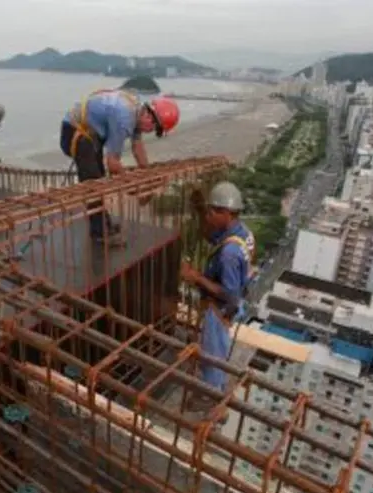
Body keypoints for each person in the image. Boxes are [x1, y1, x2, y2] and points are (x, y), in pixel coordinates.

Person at [60, 89, 180, 244]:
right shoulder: (124, 119)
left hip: (91, 136)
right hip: (74, 134)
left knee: (99, 177)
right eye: (154, 128)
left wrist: (149, 177)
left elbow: (138, 149)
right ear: (149, 115)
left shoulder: (137, 112)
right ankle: (99, 233)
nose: (150, 131)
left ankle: (104, 224)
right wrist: (136, 189)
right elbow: (113, 164)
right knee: (93, 184)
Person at [180, 181, 251, 418]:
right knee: (216, 353)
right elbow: (214, 238)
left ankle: (212, 402)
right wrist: (200, 212)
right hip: (232, 304)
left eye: (213, 211)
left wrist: (195, 277)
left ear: (227, 213)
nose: (209, 216)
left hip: (221, 309)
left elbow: (229, 295)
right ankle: (214, 392)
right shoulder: (241, 233)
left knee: (212, 357)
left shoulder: (229, 254)